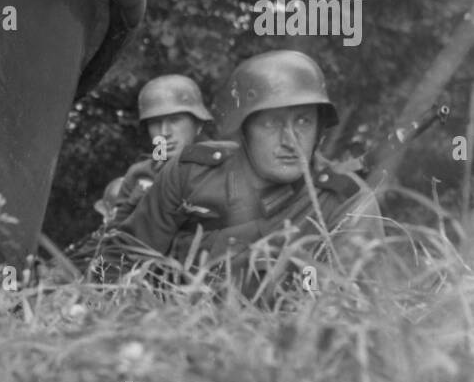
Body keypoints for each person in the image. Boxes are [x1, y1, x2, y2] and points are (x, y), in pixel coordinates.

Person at [113, 50, 381, 294]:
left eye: (303, 120)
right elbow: (122, 263)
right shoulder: (190, 173)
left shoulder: (345, 201)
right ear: (244, 131)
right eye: (270, 123)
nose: (291, 140)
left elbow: (354, 308)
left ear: (320, 130)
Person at [110, 74, 214, 223]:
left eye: (174, 120)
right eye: (155, 122)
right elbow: (115, 234)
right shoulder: (139, 175)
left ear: (198, 124)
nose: (164, 132)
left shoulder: (223, 168)